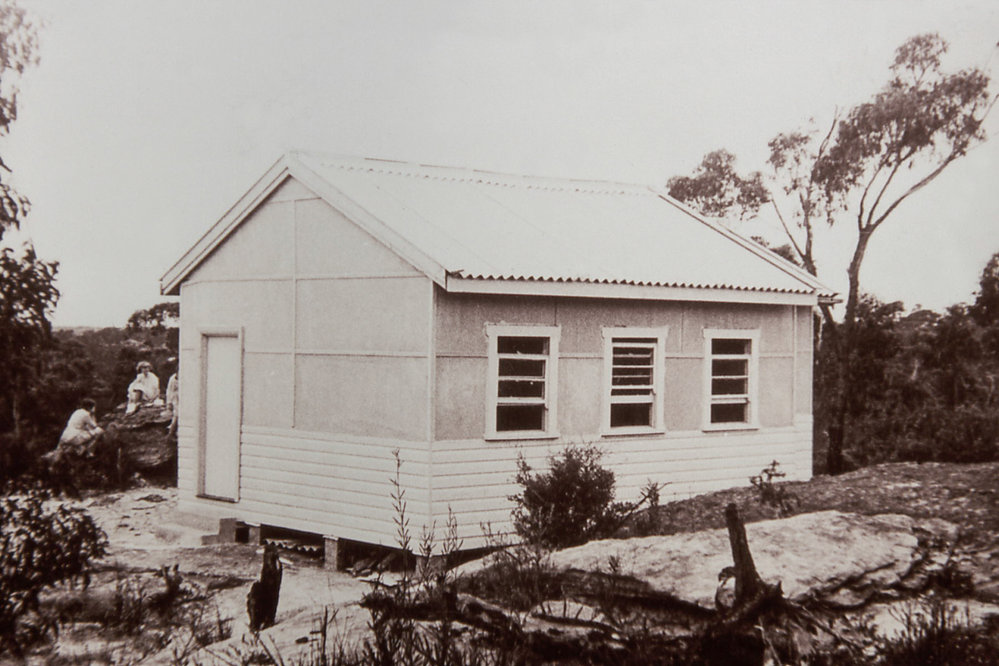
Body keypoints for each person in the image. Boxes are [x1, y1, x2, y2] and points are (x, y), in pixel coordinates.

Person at [166, 366, 179, 436]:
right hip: (175, 398)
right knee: (177, 414)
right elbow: (169, 391)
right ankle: (171, 433)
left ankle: (174, 431)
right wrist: (169, 402)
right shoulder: (173, 379)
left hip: (184, 398)